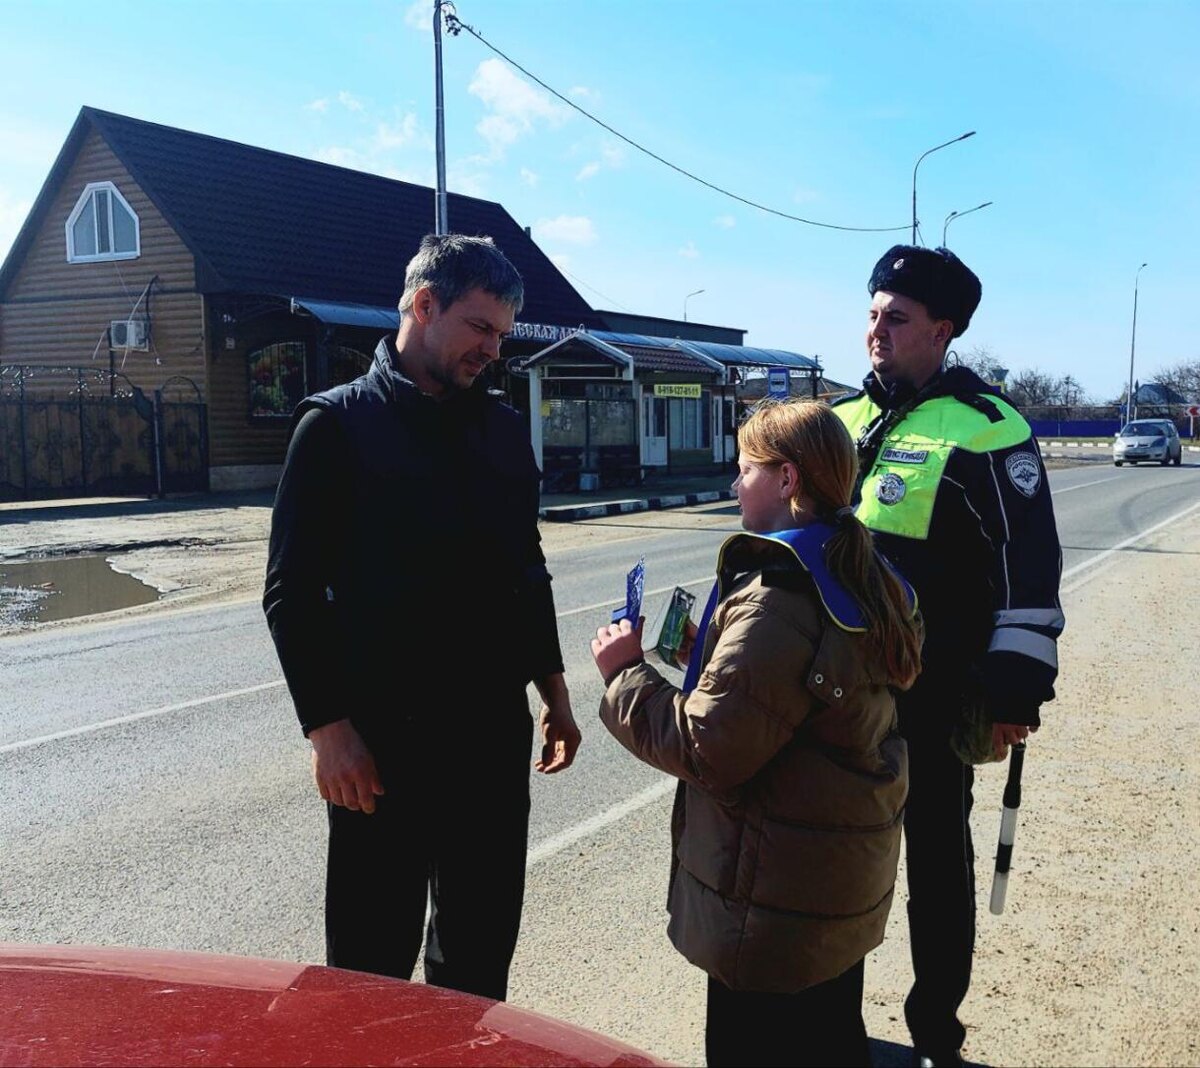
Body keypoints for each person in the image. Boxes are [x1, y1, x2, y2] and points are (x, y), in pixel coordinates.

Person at [263, 232, 582, 1002]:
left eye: (502, 336)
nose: (492, 351)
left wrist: (555, 689)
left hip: (487, 741)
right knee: (369, 971)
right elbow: (290, 593)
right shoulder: (335, 428)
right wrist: (328, 730)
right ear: (423, 304)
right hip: (381, 748)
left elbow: (524, 569)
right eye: (480, 329)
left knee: (477, 964)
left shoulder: (502, 431)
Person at [590, 399, 924, 1067]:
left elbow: (709, 750)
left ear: (788, 479)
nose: (734, 483)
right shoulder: (860, 569)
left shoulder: (780, 595)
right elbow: (800, 694)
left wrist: (624, 673)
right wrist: (705, 656)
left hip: (774, 897)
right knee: (829, 1042)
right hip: (831, 880)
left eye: (746, 469)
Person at [832, 245, 1064, 1067]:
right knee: (835, 862)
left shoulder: (988, 427)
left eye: (896, 319)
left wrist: (1012, 691)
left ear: (943, 330)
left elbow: (1027, 567)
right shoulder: (844, 420)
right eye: (871, 315)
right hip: (837, 697)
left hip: (933, 697)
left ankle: (937, 1033)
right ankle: (833, 1026)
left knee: (934, 866)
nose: (877, 333)